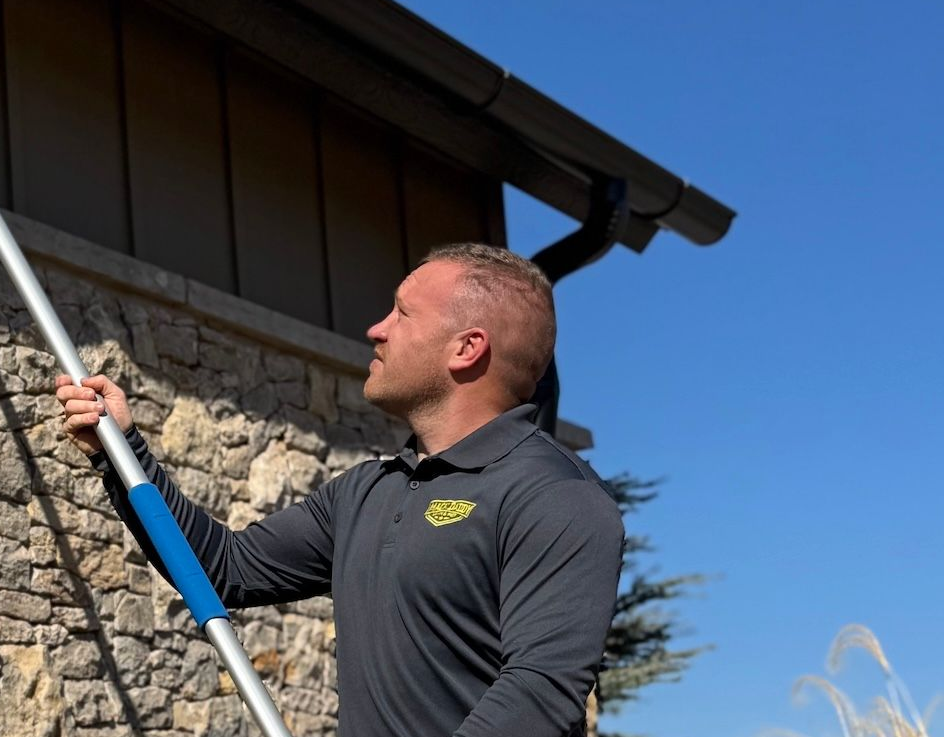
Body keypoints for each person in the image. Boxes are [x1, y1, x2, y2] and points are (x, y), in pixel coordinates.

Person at [55, 243, 624, 737]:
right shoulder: (365, 493)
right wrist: (124, 454)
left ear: (466, 347)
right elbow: (222, 567)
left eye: (402, 313)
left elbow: (539, 693)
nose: (377, 329)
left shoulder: (556, 496)